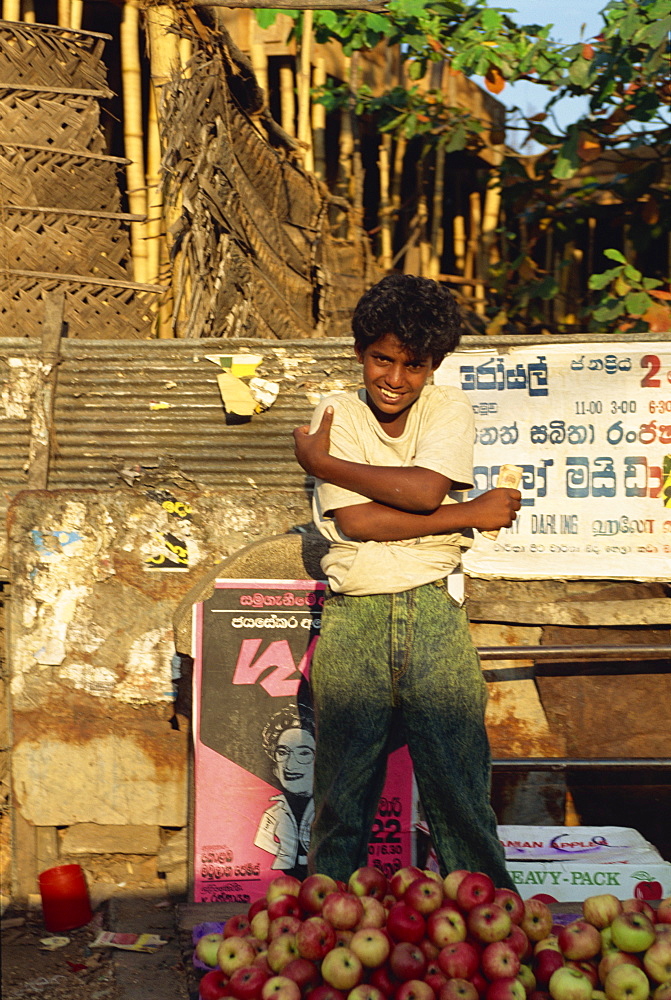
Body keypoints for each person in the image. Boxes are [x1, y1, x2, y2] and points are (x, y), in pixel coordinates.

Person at [292, 273, 520, 888]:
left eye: (412, 365)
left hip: (432, 610)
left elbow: (422, 490)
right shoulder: (335, 415)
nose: (393, 378)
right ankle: (323, 924)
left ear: (434, 366)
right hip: (355, 615)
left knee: (459, 783)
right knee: (342, 792)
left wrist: (324, 465)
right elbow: (358, 520)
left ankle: (492, 915)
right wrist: (471, 513)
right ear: (360, 353)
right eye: (380, 359)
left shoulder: (449, 408)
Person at [254, 705, 316, 878]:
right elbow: (262, 841)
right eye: (283, 752)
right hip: (280, 881)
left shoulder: (330, 809)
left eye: (304, 753)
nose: (290, 765)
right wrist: (284, 855)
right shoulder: (273, 814)